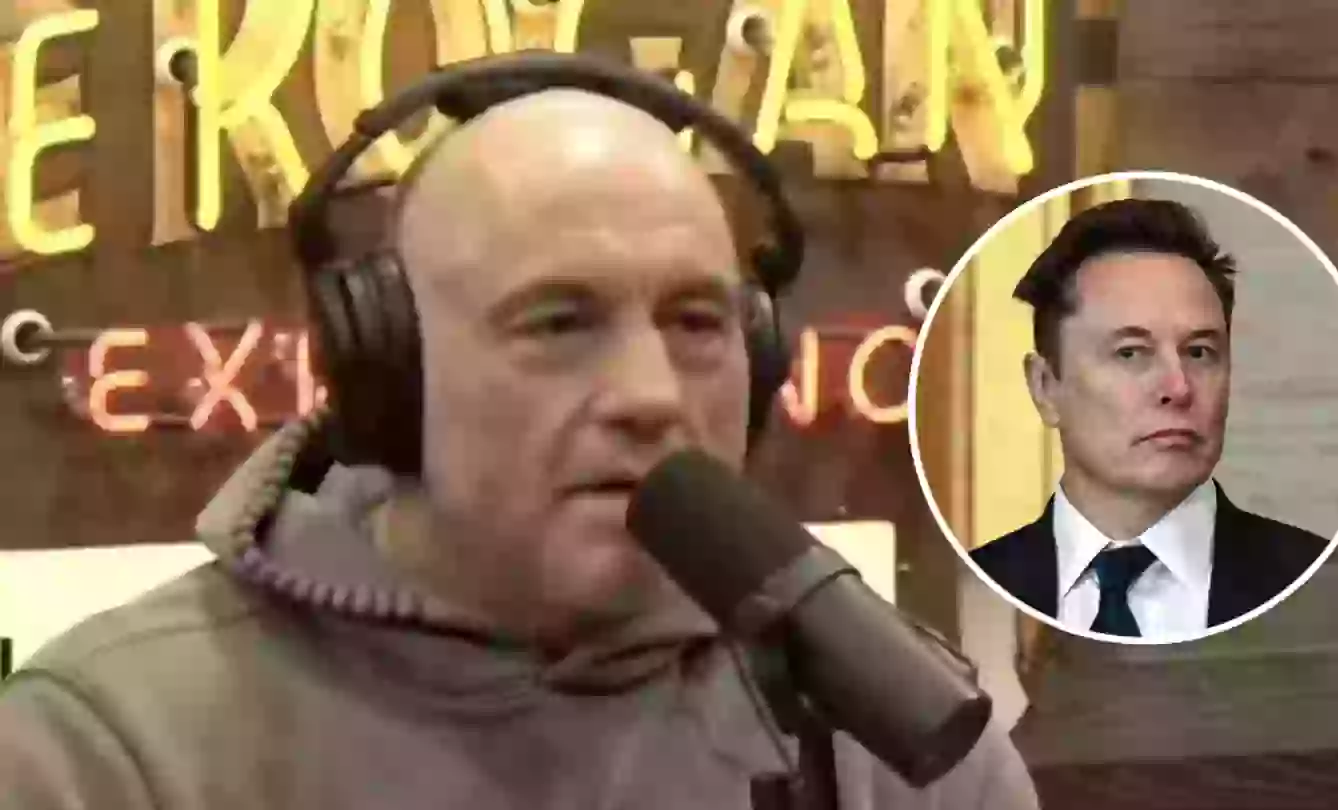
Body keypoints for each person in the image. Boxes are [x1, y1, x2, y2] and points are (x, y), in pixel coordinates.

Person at [0, 88, 1039, 808]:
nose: (649, 396)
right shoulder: (106, 752)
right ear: (392, 374)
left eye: (695, 322)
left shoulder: (898, 744)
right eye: (558, 322)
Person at [970, 198, 1329, 641]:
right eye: (1130, 353)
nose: (1178, 387)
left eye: (1199, 352)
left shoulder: (1324, 583)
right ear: (1045, 387)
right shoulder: (975, 589)